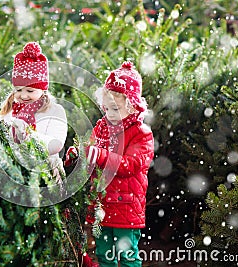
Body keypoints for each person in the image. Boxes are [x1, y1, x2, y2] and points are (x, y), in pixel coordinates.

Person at [65, 61, 154, 266]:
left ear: (131, 105)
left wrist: (101, 155)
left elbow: (131, 165)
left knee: (127, 254)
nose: (110, 114)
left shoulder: (141, 134)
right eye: (106, 108)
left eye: (115, 109)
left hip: (126, 204)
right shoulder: (103, 126)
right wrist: (79, 154)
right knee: (105, 254)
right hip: (102, 205)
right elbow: (91, 150)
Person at [0, 42, 67, 180]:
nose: (23, 95)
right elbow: (4, 136)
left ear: (43, 89)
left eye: (30, 90)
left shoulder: (54, 111)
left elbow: (56, 144)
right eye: (18, 90)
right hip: (13, 170)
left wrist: (29, 136)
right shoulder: (12, 108)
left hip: (45, 172)